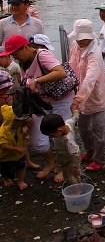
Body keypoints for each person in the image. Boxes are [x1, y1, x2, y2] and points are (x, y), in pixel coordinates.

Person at [0, 34, 69, 179]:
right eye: (11, 55)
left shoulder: (42, 55)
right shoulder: (23, 63)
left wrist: (37, 81)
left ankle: (65, 167)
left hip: (61, 99)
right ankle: (51, 162)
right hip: (41, 101)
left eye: (15, 54)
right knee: (37, 142)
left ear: (25, 47)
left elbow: (61, 72)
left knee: (62, 135)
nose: (14, 57)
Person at [67, 19, 105, 172]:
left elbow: (90, 79)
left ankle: (100, 159)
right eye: (78, 38)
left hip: (98, 94)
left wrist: (78, 99)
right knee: (83, 127)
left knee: (99, 129)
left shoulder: (95, 53)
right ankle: (89, 151)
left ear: (90, 36)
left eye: (83, 38)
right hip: (80, 91)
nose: (80, 41)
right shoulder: (75, 46)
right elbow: (71, 67)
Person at [39, 112, 81, 182]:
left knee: (69, 176)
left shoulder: (68, 140)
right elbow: (74, 119)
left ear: (59, 131)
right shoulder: (68, 122)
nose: (50, 137)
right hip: (61, 152)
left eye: (51, 135)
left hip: (67, 158)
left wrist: (76, 168)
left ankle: (77, 188)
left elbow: (75, 153)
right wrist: (76, 111)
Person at [0, 104, 29, 190]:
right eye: (18, 121)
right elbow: (3, 145)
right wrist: (16, 149)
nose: (21, 122)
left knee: (21, 166)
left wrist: (27, 129)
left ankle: (21, 181)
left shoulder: (18, 128)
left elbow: (23, 135)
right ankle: (6, 179)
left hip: (18, 155)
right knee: (5, 170)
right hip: (5, 157)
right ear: (11, 120)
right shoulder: (3, 131)